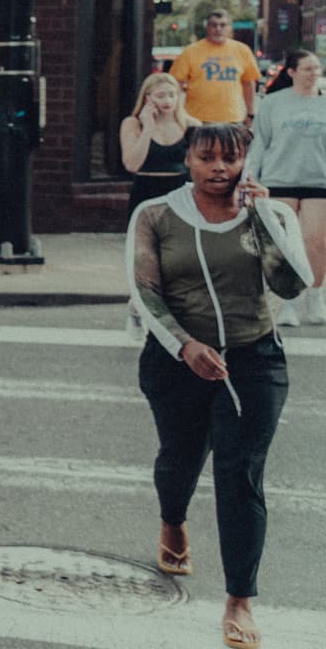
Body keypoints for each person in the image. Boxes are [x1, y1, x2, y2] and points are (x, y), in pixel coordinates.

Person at [126, 124, 322, 649]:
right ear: (187, 158)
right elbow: (144, 291)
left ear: (244, 161)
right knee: (180, 459)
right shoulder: (155, 215)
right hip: (177, 362)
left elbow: (291, 285)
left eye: (230, 159)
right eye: (207, 157)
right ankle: (172, 520)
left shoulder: (270, 213)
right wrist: (185, 346)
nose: (220, 168)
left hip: (253, 361)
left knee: (240, 475)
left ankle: (239, 600)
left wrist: (261, 219)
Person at [244, 49, 326, 325]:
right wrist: (250, 176)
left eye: (317, 68)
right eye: (307, 69)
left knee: (317, 242)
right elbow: (259, 143)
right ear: (291, 72)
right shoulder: (273, 103)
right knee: (283, 244)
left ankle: (314, 296)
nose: (314, 73)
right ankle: (286, 301)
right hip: (278, 180)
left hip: (319, 181)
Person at [121, 71, 197, 211]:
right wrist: (148, 128)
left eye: (172, 95)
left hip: (180, 191)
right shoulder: (133, 124)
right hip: (146, 191)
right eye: (160, 96)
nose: (167, 101)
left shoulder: (191, 125)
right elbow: (132, 165)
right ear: (147, 98)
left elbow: (199, 166)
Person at [171, 11, 261, 126]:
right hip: (197, 120)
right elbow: (176, 83)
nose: (218, 29)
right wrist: (176, 113)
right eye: (213, 25)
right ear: (207, 27)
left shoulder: (242, 50)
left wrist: (250, 113)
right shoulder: (190, 51)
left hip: (232, 119)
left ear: (230, 28)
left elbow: (248, 83)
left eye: (223, 25)